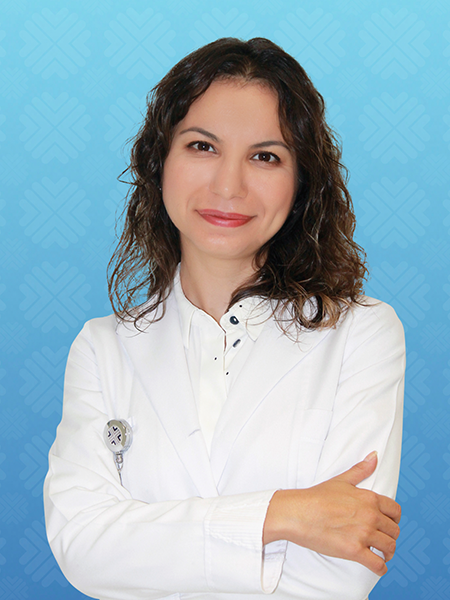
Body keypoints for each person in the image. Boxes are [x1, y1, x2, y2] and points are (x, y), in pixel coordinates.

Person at [44, 37, 405, 600]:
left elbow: (342, 570)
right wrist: (281, 515)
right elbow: (83, 548)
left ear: (301, 183)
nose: (228, 186)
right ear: (158, 162)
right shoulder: (102, 348)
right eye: (202, 146)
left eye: (265, 156)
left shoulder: (362, 333)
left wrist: (151, 541)